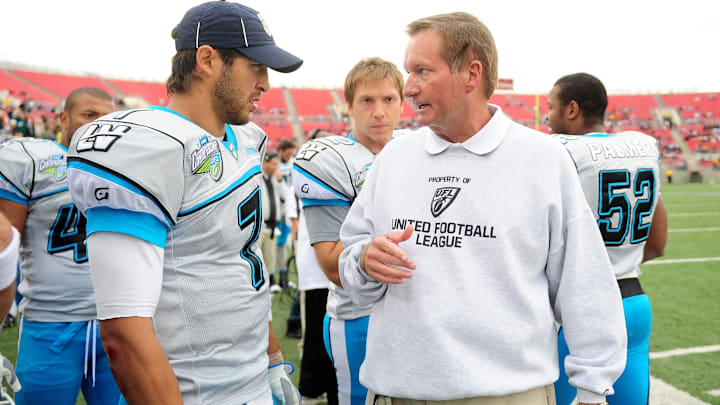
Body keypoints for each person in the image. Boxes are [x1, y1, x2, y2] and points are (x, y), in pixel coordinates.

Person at [338, 13, 627, 405]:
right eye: (409, 72)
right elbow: (351, 265)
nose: (409, 88)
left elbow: (584, 283)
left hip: (505, 394)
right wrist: (364, 261)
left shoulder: (542, 159)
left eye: (422, 71)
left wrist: (593, 391)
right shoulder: (394, 157)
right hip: (393, 392)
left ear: (471, 74)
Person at [65, 2, 303, 404]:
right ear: (207, 60)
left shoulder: (245, 141)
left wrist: (273, 358)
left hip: (252, 381)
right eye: (255, 66)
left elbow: (241, 267)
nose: (265, 83)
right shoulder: (150, 147)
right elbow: (124, 331)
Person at [547, 72, 668, 405]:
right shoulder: (641, 146)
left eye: (551, 106)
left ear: (571, 109)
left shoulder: (559, 151)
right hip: (633, 303)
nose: (546, 116)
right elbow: (657, 243)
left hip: (576, 312)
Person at [293, 57, 405, 405]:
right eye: (367, 101)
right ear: (349, 107)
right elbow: (331, 263)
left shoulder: (415, 153)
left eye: (388, 99)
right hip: (359, 318)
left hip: (413, 316)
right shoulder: (331, 160)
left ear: (402, 103)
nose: (379, 111)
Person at [0, 87, 120, 405]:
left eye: (107, 120)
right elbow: (5, 248)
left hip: (117, 323)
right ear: (64, 119)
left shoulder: (126, 170)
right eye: (89, 115)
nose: (97, 126)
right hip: (50, 324)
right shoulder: (32, 161)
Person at [260, 149, 285, 293]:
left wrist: (280, 180)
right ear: (265, 162)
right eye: (273, 164)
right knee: (258, 258)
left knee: (270, 258)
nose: (276, 168)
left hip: (272, 226)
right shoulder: (257, 177)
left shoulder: (275, 179)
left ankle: (269, 284)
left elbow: (284, 196)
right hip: (260, 226)